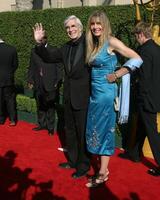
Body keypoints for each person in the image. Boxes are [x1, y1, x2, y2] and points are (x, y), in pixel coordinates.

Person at [85, 11, 142, 187]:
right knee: (96, 130)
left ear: (105, 25)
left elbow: (137, 58)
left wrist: (117, 73)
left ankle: (102, 173)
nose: (95, 27)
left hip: (105, 94)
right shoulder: (94, 43)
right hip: (95, 94)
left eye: (98, 23)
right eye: (93, 24)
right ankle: (104, 169)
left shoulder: (111, 41)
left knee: (104, 131)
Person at [33, 15, 90, 178]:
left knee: (82, 133)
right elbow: (49, 57)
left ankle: (83, 165)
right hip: (69, 96)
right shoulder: (65, 47)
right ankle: (72, 161)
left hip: (84, 97)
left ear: (80, 27)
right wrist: (39, 43)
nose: (70, 30)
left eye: (73, 26)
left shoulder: (89, 44)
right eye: (68, 28)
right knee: (70, 131)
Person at [121, 22, 160, 176]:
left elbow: (141, 76)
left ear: (140, 35)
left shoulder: (143, 51)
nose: (136, 39)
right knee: (143, 127)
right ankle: (134, 153)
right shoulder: (157, 49)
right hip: (155, 97)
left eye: (136, 36)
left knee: (152, 132)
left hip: (146, 98)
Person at [27, 35, 62, 136]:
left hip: (51, 83)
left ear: (46, 39)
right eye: (39, 39)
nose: (40, 40)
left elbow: (59, 67)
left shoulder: (54, 50)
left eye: (42, 39)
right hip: (38, 83)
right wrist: (30, 80)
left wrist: (57, 81)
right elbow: (31, 66)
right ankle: (42, 124)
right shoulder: (34, 51)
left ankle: (50, 128)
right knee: (40, 105)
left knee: (50, 106)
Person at [0, 36, 18, 126]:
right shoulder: (12, 49)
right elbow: (15, 65)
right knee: (10, 99)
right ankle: (12, 119)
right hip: (9, 79)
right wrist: (9, 73)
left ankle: (1, 119)